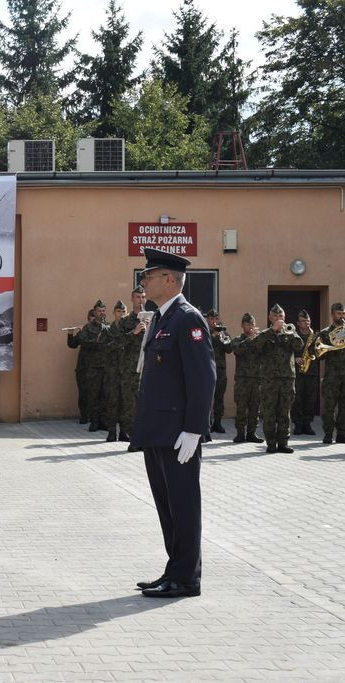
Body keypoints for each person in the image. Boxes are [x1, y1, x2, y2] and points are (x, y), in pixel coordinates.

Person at [132, 248, 215, 599]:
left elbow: (203, 378)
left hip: (178, 432)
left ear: (169, 279)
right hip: (158, 431)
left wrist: (194, 429)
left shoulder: (187, 318)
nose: (143, 282)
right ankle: (175, 569)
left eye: (148, 276)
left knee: (183, 505)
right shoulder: (163, 318)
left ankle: (186, 578)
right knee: (167, 506)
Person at [253, 304, 303, 453]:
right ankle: (271, 443)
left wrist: (292, 333)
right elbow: (256, 346)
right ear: (270, 318)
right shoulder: (264, 334)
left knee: (284, 411)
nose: (278, 319)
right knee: (269, 411)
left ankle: (283, 443)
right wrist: (272, 331)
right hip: (270, 379)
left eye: (281, 316)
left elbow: (299, 346)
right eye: (275, 316)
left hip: (287, 378)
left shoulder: (290, 332)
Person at [318, 302, 345, 444]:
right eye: (338, 313)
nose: (341, 316)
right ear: (332, 315)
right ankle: (328, 434)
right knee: (329, 406)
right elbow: (320, 354)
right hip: (332, 375)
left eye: (343, 313)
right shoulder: (325, 333)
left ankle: (342, 434)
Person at [116, 288, 148, 450]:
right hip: (131, 369)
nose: (141, 300)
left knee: (148, 405)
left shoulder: (154, 318)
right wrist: (134, 332)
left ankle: (146, 438)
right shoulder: (125, 321)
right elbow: (117, 343)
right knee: (130, 405)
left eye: (143, 297)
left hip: (149, 368)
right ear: (132, 299)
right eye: (137, 297)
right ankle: (133, 438)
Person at [75, 301, 110, 432]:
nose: (102, 313)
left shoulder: (108, 327)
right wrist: (95, 341)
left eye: (103, 311)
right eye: (99, 311)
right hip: (92, 367)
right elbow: (82, 342)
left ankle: (103, 421)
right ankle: (94, 421)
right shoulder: (88, 328)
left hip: (106, 367)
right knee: (93, 395)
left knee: (105, 395)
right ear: (94, 312)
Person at [231, 314, 264, 444]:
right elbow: (237, 350)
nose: (250, 327)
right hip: (242, 380)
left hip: (257, 379)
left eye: (252, 324)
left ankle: (252, 433)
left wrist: (259, 338)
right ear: (242, 325)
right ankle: (240, 433)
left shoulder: (259, 340)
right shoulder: (238, 339)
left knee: (255, 408)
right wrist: (250, 339)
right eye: (248, 324)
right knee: (241, 407)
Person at [101, 300, 127, 442]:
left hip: (126, 370)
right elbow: (106, 346)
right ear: (114, 313)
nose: (121, 314)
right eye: (119, 312)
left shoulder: (129, 328)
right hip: (112, 370)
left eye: (124, 312)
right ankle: (111, 432)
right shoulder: (108, 330)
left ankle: (124, 431)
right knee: (112, 401)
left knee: (125, 402)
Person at [292, 310, 320, 436]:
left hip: (312, 371)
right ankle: (298, 424)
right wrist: (295, 358)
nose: (306, 323)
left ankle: (307, 424)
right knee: (297, 399)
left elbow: (321, 353)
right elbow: (286, 352)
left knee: (310, 399)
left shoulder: (316, 336)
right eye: (303, 321)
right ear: (298, 323)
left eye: (308, 320)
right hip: (297, 373)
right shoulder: (293, 335)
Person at [205, 309, 233, 434]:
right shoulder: (204, 332)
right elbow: (201, 347)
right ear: (207, 319)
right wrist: (212, 337)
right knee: (207, 398)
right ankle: (207, 423)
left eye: (216, 319)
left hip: (220, 370)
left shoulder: (224, 333)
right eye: (211, 319)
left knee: (219, 398)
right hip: (207, 370)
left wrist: (222, 338)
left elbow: (229, 349)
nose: (214, 322)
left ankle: (218, 422)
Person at [66, 309, 95, 424]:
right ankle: (84, 415)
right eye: (91, 320)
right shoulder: (83, 331)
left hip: (97, 367)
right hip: (83, 368)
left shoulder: (102, 330)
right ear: (88, 320)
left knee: (97, 394)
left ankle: (95, 417)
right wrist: (70, 333)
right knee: (83, 393)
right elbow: (72, 344)